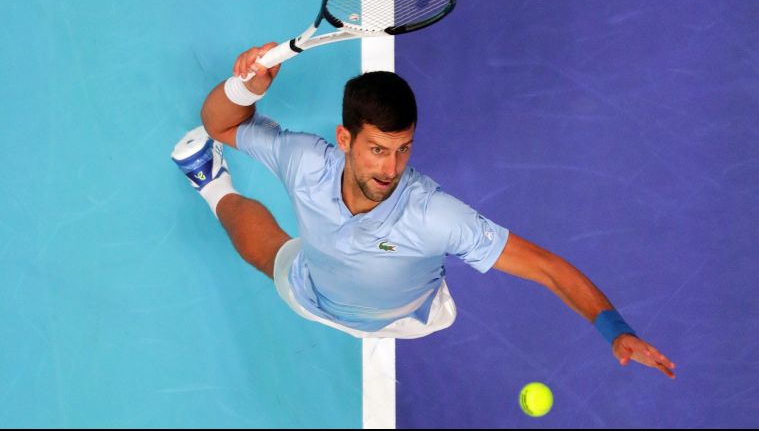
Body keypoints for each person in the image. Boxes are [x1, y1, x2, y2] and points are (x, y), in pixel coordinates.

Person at [172, 43, 676, 379]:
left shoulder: (435, 216)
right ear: (344, 139)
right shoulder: (304, 161)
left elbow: (548, 268)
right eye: (376, 149)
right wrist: (246, 88)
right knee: (261, 251)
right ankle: (212, 185)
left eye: (403, 149)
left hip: (410, 314)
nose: (390, 169)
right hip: (315, 290)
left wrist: (617, 331)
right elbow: (219, 123)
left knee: (273, 253)